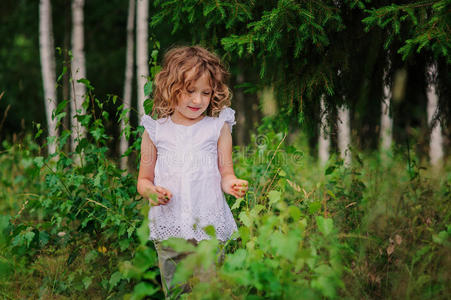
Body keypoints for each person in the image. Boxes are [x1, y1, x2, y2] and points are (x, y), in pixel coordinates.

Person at [136, 45, 248, 298]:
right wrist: (151, 191)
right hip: (170, 226)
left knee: (211, 290)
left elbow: (225, 172)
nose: (198, 100)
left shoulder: (218, 127)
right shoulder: (156, 131)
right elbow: (143, 180)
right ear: (170, 87)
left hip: (209, 225)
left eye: (205, 92)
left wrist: (231, 183)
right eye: (189, 91)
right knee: (177, 291)